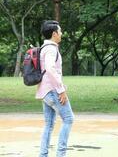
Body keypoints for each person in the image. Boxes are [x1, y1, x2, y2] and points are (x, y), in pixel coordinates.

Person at [37, 20, 74, 157]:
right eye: (60, 31)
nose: (61, 33)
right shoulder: (51, 49)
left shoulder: (44, 48)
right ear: (54, 33)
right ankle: (61, 154)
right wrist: (61, 90)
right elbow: (51, 69)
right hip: (53, 90)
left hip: (45, 91)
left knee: (49, 124)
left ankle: (43, 154)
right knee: (69, 119)